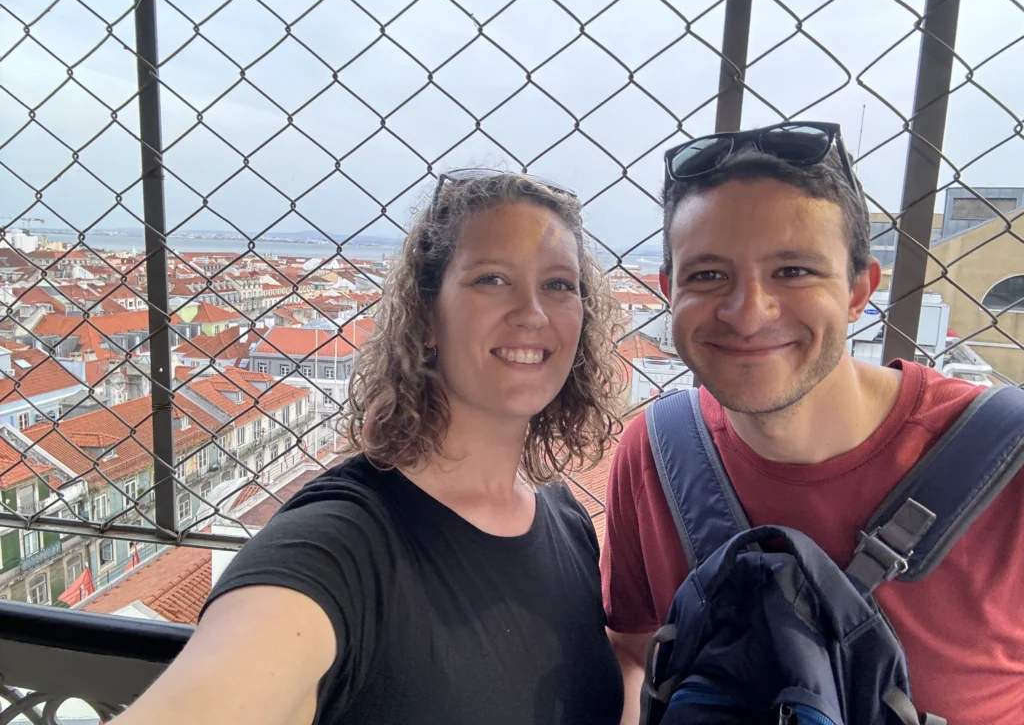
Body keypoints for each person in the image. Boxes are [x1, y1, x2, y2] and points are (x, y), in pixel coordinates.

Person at [112, 169, 626, 725]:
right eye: (492, 279)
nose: (533, 312)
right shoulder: (341, 546)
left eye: (559, 284)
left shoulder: (564, 517)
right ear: (428, 316)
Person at [601, 122, 1024, 725]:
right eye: (707, 275)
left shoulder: (1009, 473)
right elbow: (635, 654)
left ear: (858, 292)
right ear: (669, 292)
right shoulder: (654, 453)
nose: (748, 313)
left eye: (793, 271)